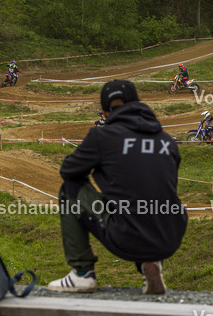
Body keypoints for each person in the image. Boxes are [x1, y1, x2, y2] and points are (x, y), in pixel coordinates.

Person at [48, 79, 186, 295]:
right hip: (171, 234)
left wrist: (99, 163)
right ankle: (150, 263)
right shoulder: (166, 141)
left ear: (104, 113)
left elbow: (68, 171)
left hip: (126, 237)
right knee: (149, 196)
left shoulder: (102, 137)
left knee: (70, 189)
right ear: (138, 105)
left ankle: (82, 273)